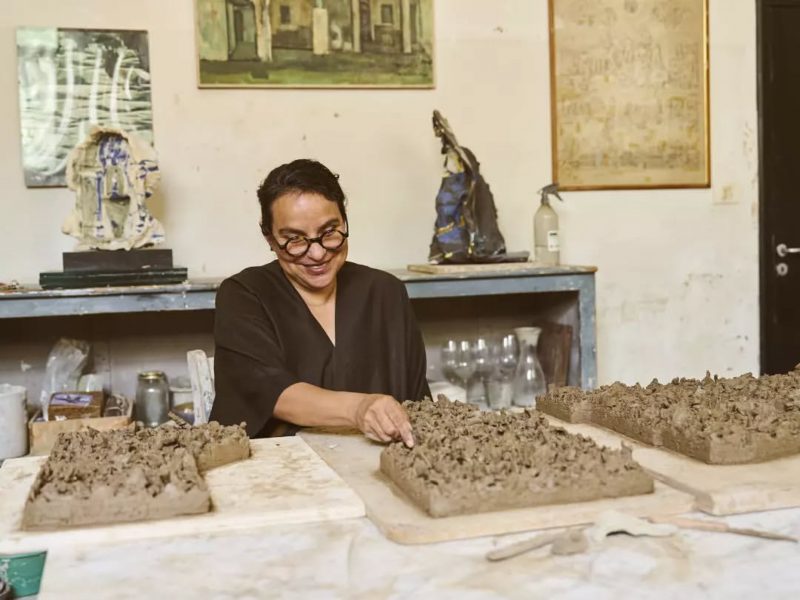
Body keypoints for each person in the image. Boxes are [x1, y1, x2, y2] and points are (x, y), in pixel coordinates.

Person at [210, 159, 430, 447]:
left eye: (329, 232)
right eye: (295, 239)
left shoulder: (385, 292)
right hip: (283, 467)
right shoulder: (244, 295)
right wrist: (359, 409)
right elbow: (269, 393)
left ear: (344, 222)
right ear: (270, 239)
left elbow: (418, 402)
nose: (317, 254)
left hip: (379, 461)